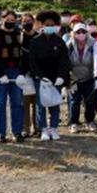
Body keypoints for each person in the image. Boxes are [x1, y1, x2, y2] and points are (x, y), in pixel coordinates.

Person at [28, 11, 72, 141]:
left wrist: (61, 77)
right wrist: (40, 76)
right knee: (41, 105)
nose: (49, 26)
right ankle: (43, 129)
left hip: (56, 79)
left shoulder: (59, 41)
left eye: (52, 24)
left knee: (55, 104)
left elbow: (65, 60)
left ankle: (53, 128)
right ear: (41, 25)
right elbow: (32, 61)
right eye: (47, 24)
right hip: (41, 79)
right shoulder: (35, 42)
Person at [0, 9, 25, 143]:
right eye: (7, 20)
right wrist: (1, 73)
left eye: (13, 21)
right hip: (0, 72)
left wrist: (21, 73)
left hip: (16, 71)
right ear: (2, 19)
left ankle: (17, 132)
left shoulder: (19, 34)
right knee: (0, 103)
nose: (10, 23)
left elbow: (24, 55)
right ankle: (1, 133)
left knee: (17, 103)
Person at [66, 22, 97, 134]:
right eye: (78, 32)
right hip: (74, 78)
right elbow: (65, 64)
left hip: (89, 78)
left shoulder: (93, 44)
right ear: (73, 34)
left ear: (87, 33)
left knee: (89, 101)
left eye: (83, 31)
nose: (81, 34)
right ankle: (73, 122)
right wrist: (67, 81)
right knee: (74, 102)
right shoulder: (69, 45)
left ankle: (90, 121)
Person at [19, 13, 39, 137]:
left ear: (34, 22)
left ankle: (36, 127)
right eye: (24, 21)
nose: (27, 23)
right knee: (24, 104)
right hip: (23, 75)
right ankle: (25, 128)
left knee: (37, 104)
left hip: (36, 75)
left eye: (29, 20)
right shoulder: (18, 37)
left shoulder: (38, 37)